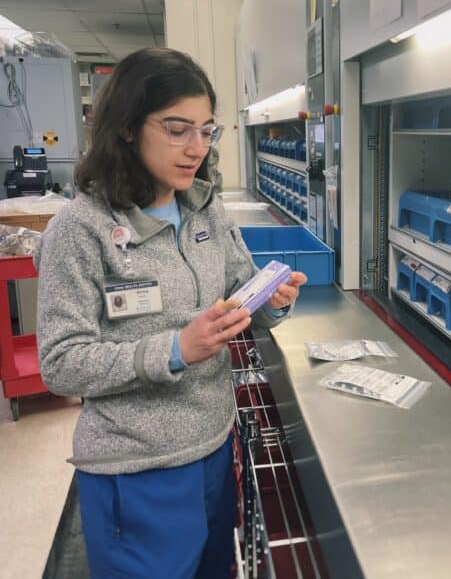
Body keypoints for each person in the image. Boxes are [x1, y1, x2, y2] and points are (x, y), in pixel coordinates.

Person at [34, 47, 307, 578]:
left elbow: (237, 289)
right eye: (178, 129)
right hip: (136, 471)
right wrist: (176, 350)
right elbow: (61, 363)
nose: (196, 149)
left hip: (212, 449)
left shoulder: (204, 205)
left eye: (207, 131)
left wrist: (271, 302)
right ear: (129, 128)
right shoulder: (80, 229)